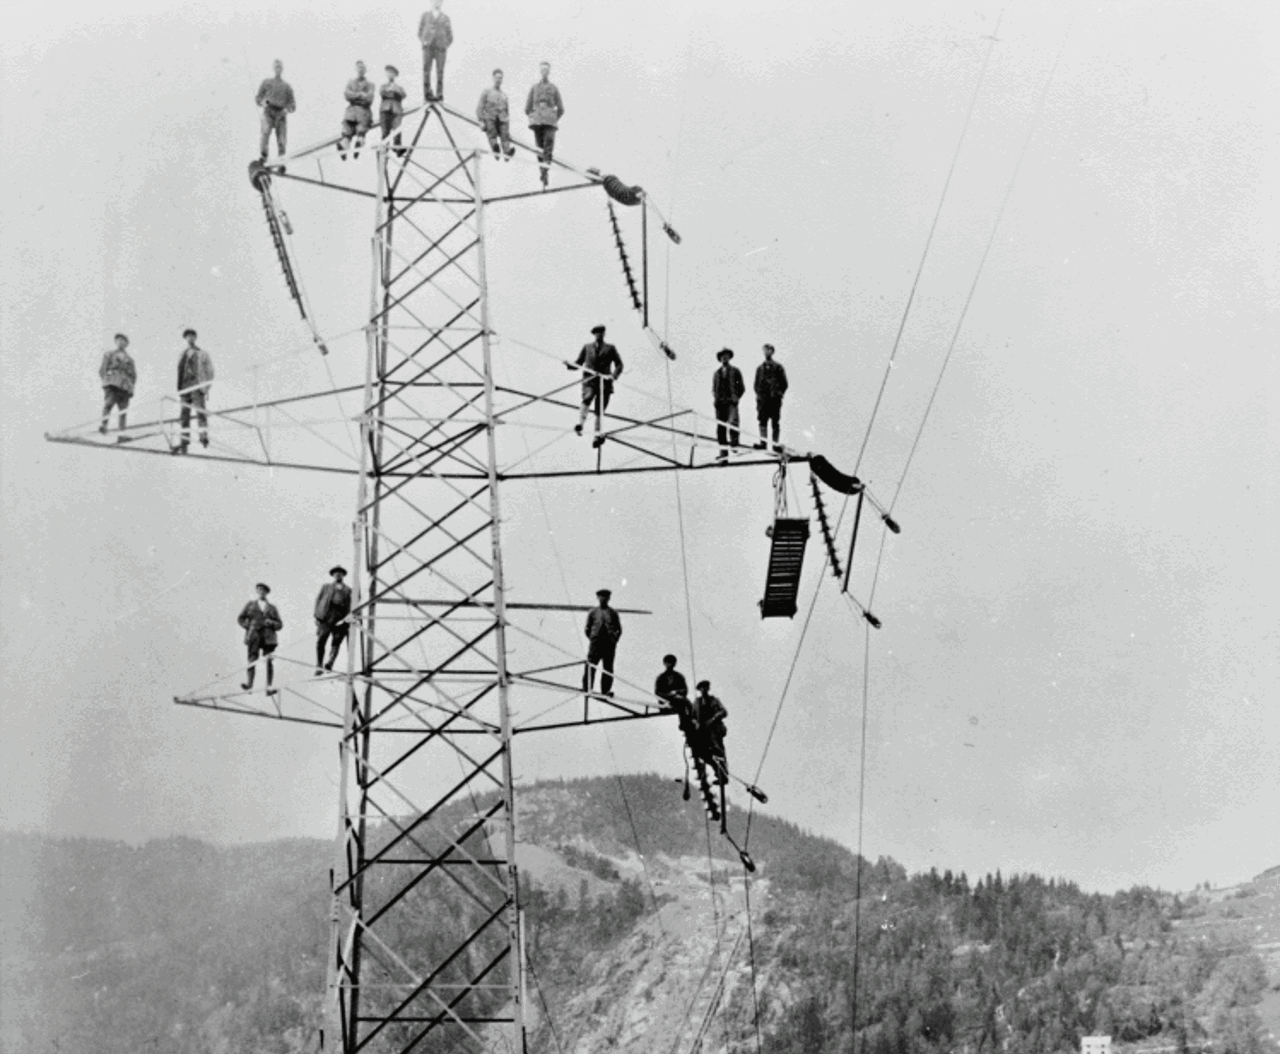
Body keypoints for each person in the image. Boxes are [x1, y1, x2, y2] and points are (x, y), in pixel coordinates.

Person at [566, 325, 623, 443]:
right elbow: (578, 363)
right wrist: (569, 365)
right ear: (594, 334)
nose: (599, 335)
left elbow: (619, 364)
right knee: (587, 397)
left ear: (604, 334)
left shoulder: (610, 348)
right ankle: (580, 424)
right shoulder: (587, 347)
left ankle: (597, 435)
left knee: (600, 409)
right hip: (590, 380)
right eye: (597, 333)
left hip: (604, 382)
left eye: (601, 333)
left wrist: (613, 376)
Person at [525, 62, 564, 188]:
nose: (544, 72)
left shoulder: (554, 88)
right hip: (537, 122)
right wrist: (533, 117)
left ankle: (545, 170)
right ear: (540, 71)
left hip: (550, 121)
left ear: (549, 72)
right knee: (539, 148)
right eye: (543, 70)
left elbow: (561, 108)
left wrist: (553, 118)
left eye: (547, 70)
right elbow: (527, 108)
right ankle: (543, 172)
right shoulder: (534, 88)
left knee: (548, 145)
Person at [238, 583, 283, 692]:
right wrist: (249, 626)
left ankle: (269, 687)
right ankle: (249, 685)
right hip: (254, 636)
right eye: (259, 590)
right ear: (257, 591)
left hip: (268, 637)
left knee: (268, 661)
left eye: (264, 590)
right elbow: (241, 618)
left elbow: (279, 624)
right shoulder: (250, 605)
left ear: (266, 593)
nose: (261, 592)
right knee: (252, 659)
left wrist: (271, 622)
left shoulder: (272, 608)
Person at [175, 328, 213, 454]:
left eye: (192, 336)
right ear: (185, 339)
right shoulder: (182, 354)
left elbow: (210, 371)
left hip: (197, 386)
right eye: (187, 337)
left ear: (195, 338)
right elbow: (179, 371)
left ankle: (203, 436)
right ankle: (184, 440)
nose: (190, 338)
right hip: (185, 387)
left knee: (200, 412)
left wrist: (205, 387)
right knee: (184, 415)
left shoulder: (202, 353)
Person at [255, 59, 296, 168]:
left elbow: (292, 104)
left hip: (281, 114)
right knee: (265, 133)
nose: (278, 69)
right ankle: (263, 157)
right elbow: (258, 98)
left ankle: (281, 160)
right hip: (268, 111)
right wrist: (264, 102)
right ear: (273, 68)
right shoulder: (267, 82)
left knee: (282, 139)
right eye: (276, 67)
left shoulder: (287, 87)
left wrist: (287, 109)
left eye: (280, 67)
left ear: (282, 69)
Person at [583, 588, 622, 698]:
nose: (603, 598)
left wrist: (614, 639)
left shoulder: (613, 613)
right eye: (601, 596)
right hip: (596, 643)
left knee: (608, 668)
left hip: (609, 644)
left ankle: (605, 691)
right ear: (598, 597)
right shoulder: (593, 612)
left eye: (605, 596)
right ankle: (587, 688)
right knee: (591, 665)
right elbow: (587, 628)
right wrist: (593, 638)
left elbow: (619, 629)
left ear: (609, 598)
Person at [314, 565, 353, 674]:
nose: (338, 575)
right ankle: (319, 665)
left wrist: (347, 619)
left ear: (343, 575)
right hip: (326, 615)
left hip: (341, 616)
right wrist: (317, 616)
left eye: (340, 573)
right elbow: (318, 601)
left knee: (336, 641)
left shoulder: (348, 590)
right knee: (321, 640)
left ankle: (330, 663)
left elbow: (352, 604)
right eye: (336, 573)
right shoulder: (326, 587)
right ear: (333, 575)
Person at [98, 333, 136, 438]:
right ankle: (104, 425)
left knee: (123, 411)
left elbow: (133, 376)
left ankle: (122, 435)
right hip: (112, 384)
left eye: (123, 340)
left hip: (124, 387)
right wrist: (106, 382)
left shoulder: (130, 360)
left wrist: (130, 387)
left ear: (126, 344)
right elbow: (102, 370)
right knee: (108, 404)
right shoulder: (109, 354)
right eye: (118, 340)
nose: (120, 342)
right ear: (115, 342)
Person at [753, 343, 788, 452]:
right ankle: (763, 443)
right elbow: (756, 384)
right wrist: (760, 395)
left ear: (772, 352)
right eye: (765, 350)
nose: (766, 352)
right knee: (762, 420)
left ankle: (774, 444)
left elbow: (784, 383)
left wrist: (779, 394)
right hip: (763, 400)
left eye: (769, 350)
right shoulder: (760, 368)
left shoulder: (778, 367)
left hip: (774, 400)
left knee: (775, 421)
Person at [692, 680, 729, 785]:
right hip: (702, 732)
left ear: (708, 688)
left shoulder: (714, 701)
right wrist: (696, 723)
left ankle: (723, 775)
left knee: (718, 751)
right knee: (701, 753)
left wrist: (713, 719)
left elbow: (724, 712)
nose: (704, 690)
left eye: (705, 687)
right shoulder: (697, 703)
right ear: (699, 690)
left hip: (714, 731)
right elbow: (692, 716)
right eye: (701, 688)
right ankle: (717, 770)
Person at [712, 348, 745, 462]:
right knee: (721, 429)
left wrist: (736, 397)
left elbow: (741, 387)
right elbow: (714, 388)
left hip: (731, 402)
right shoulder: (717, 373)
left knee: (733, 422)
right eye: (722, 357)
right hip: (720, 404)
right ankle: (723, 453)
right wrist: (716, 399)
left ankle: (734, 443)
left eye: (726, 356)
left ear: (729, 357)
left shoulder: (735, 371)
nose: (724, 358)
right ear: (720, 359)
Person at [476, 69, 515, 161]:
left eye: (501, 78)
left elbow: (507, 113)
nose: (499, 80)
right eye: (497, 78)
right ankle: (495, 148)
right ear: (493, 78)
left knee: (505, 134)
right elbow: (479, 108)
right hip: (491, 118)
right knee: (491, 132)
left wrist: (508, 132)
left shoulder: (504, 96)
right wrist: (481, 121)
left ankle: (507, 152)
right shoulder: (487, 92)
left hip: (502, 120)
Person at [418, 0, 453, 103]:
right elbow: (420, 31)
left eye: (438, 1)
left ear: (441, 3)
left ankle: (439, 94)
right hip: (428, 46)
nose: (436, 3)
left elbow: (450, 35)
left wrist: (444, 44)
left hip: (440, 48)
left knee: (440, 71)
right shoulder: (425, 16)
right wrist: (424, 41)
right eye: (434, 1)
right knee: (426, 70)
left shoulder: (445, 18)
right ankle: (427, 93)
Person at [339, 61, 375, 161]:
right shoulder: (351, 82)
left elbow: (369, 98)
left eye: (362, 68)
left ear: (365, 70)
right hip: (351, 111)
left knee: (361, 129)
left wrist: (354, 95)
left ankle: (359, 142)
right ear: (356, 69)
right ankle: (344, 145)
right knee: (347, 129)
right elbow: (346, 94)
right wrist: (360, 94)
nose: (360, 70)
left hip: (363, 111)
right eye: (359, 68)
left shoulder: (370, 84)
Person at [379, 65, 408, 156]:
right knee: (385, 131)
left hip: (396, 110)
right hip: (385, 109)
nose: (390, 75)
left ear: (395, 75)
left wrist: (394, 91)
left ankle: (397, 147)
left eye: (392, 74)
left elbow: (403, 95)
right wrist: (393, 93)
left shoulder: (399, 87)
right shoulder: (383, 86)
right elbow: (382, 93)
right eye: (388, 73)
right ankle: (384, 149)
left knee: (397, 129)